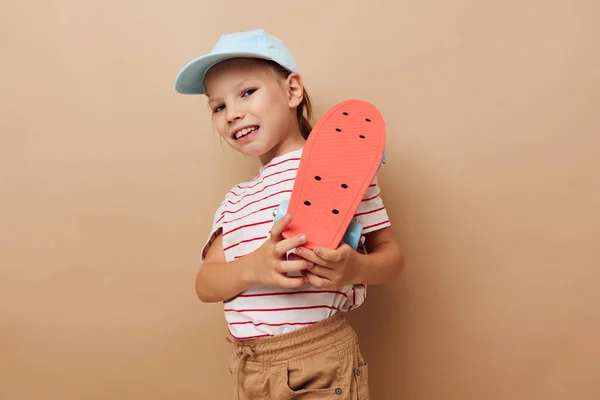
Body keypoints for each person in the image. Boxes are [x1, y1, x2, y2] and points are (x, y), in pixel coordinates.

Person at [174, 29, 404, 399]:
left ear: (292, 91)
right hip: (252, 368)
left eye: (247, 92)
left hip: (321, 362)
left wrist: (355, 269)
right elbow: (206, 283)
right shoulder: (237, 199)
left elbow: (392, 257)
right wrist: (254, 266)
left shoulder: (343, 169)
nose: (232, 113)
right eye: (218, 107)